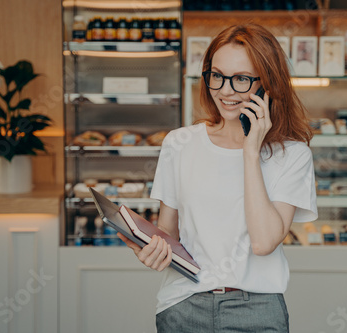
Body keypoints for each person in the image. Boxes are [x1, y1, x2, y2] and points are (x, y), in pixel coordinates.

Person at [118, 23, 318, 333]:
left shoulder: (292, 155)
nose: (225, 90)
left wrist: (250, 151)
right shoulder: (179, 143)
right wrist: (148, 247)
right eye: (218, 75)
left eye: (241, 79)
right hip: (182, 306)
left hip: (257, 312)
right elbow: (169, 233)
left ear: (268, 85)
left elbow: (264, 242)